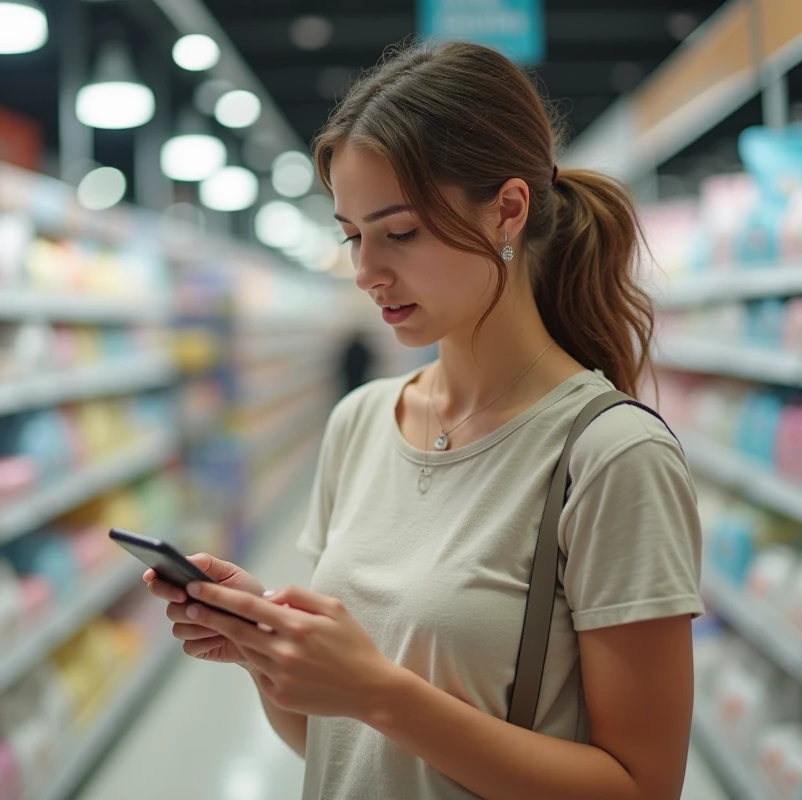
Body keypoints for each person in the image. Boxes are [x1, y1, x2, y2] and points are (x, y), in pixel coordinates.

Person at [145, 40, 702, 800]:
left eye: (399, 231)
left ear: (509, 209)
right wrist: (270, 658)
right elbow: (334, 746)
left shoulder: (610, 455)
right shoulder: (361, 423)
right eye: (352, 234)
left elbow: (643, 788)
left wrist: (376, 689)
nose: (366, 270)